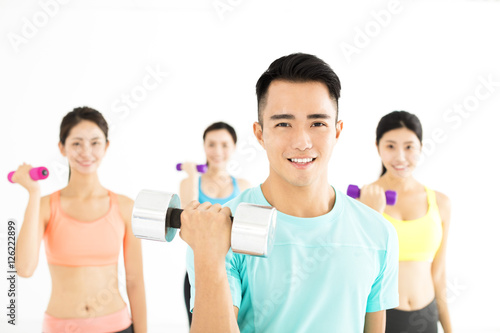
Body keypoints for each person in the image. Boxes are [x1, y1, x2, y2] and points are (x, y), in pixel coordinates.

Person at [180, 53, 400, 332]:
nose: (302, 141)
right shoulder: (221, 232)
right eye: (283, 124)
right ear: (260, 134)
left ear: (337, 131)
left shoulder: (378, 233)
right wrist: (209, 256)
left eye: (317, 123)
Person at [13, 107, 147, 333]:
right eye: (76, 143)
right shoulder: (45, 205)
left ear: (106, 146)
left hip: (118, 326)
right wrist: (33, 193)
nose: (86, 151)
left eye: (95, 142)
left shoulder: (125, 206)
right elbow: (24, 268)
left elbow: (135, 280)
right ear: (62, 148)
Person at [357, 111, 452, 333]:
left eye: (409, 147)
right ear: (377, 147)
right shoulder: (360, 201)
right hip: (379, 317)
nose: (400, 156)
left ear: (420, 147)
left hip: (427, 316)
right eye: (390, 146)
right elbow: (356, 268)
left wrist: (449, 328)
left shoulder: (441, 203)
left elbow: (439, 273)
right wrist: (373, 215)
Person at [178, 121, 251, 326]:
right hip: (197, 267)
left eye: (224, 145)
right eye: (211, 144)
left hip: (235, 271)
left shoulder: (244, 187)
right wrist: (193, 175)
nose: (217, 151)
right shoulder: (189, 182)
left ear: (234, 148)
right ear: (204, 146)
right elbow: (187, 223)